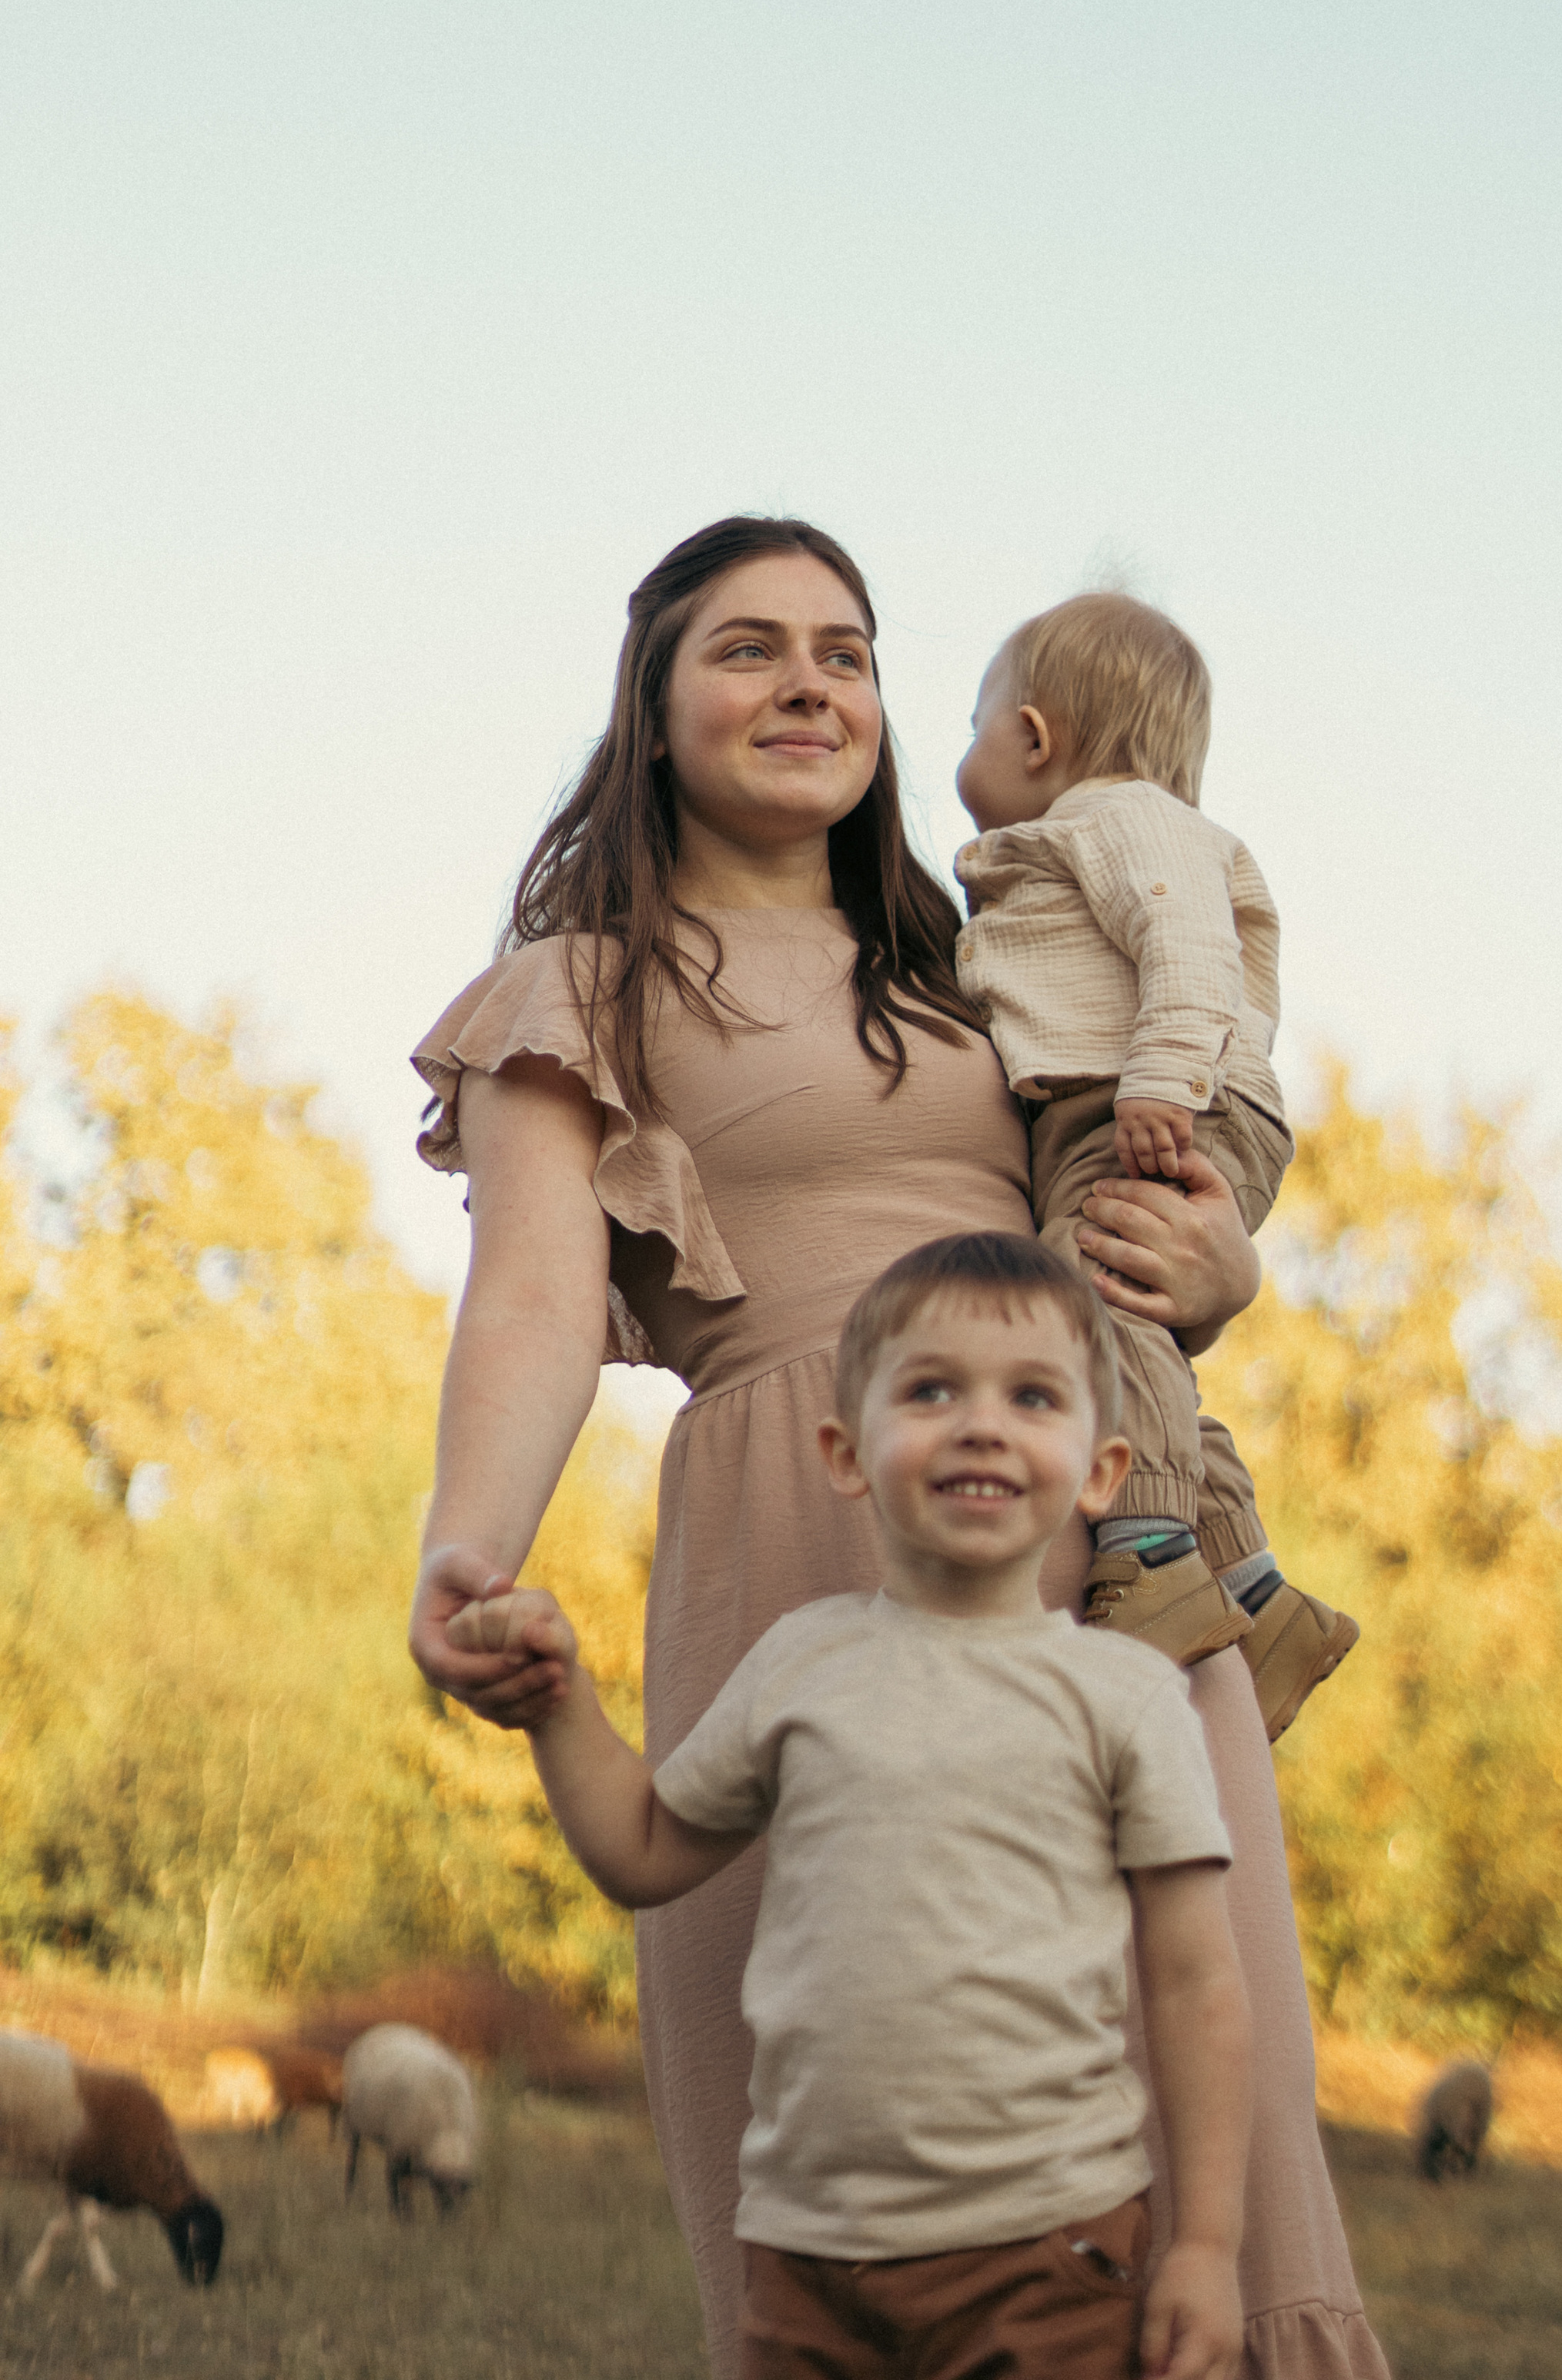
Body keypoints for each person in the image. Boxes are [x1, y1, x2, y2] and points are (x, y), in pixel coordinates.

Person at [408, 514, 1390, 2380]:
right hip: (800, 1520)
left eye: (845, 654)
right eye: (750, 648)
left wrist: (1220, 1268)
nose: (808, 685)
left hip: (1088, 1551)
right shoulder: (583, 986)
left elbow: (1144, 1175)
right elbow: (530, 1301)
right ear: (654, 701)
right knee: (844, 2087)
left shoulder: (978, 958)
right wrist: (468, 1549)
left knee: (1199, 2066)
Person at [447, 1232, 1252, 2380]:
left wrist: (1208, 2247)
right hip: (809, 2257)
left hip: (1046, 2247)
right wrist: (557, 1705)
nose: (981, 1425)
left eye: (1032, 1397)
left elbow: (1195, 1983)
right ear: (846, 1452)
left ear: (1100, 1472)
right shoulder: (802, 1664)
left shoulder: (1125, 1697)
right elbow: (642, 1848)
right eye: (931, 1391)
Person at [953, 594, 1358, 1734]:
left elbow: (1185, 942)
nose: (966, 750)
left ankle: (1148, 1548)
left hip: (1154, 1102)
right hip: (1132, 1101)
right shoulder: (1090, 833)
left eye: (975, 724)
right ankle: (1257, 1595)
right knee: (1125, 1337)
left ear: (1034, 735)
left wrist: (1160, 1078)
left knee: (1086, 1309)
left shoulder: (1123, 818)